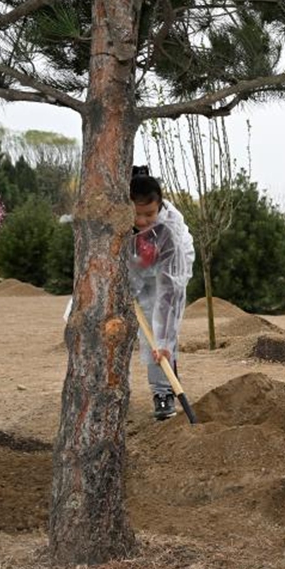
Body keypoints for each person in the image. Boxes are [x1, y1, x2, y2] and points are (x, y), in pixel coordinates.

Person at [128, 167, 196, 421]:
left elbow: (170, 292)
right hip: (138, 268)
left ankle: (164, 392)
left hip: (168, 274)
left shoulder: (171, 233)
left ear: (160, 207)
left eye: (149, 214)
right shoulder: (116, 219)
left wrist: (165, 340)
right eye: (136, 214)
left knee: (158, 336)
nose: (143, 220)